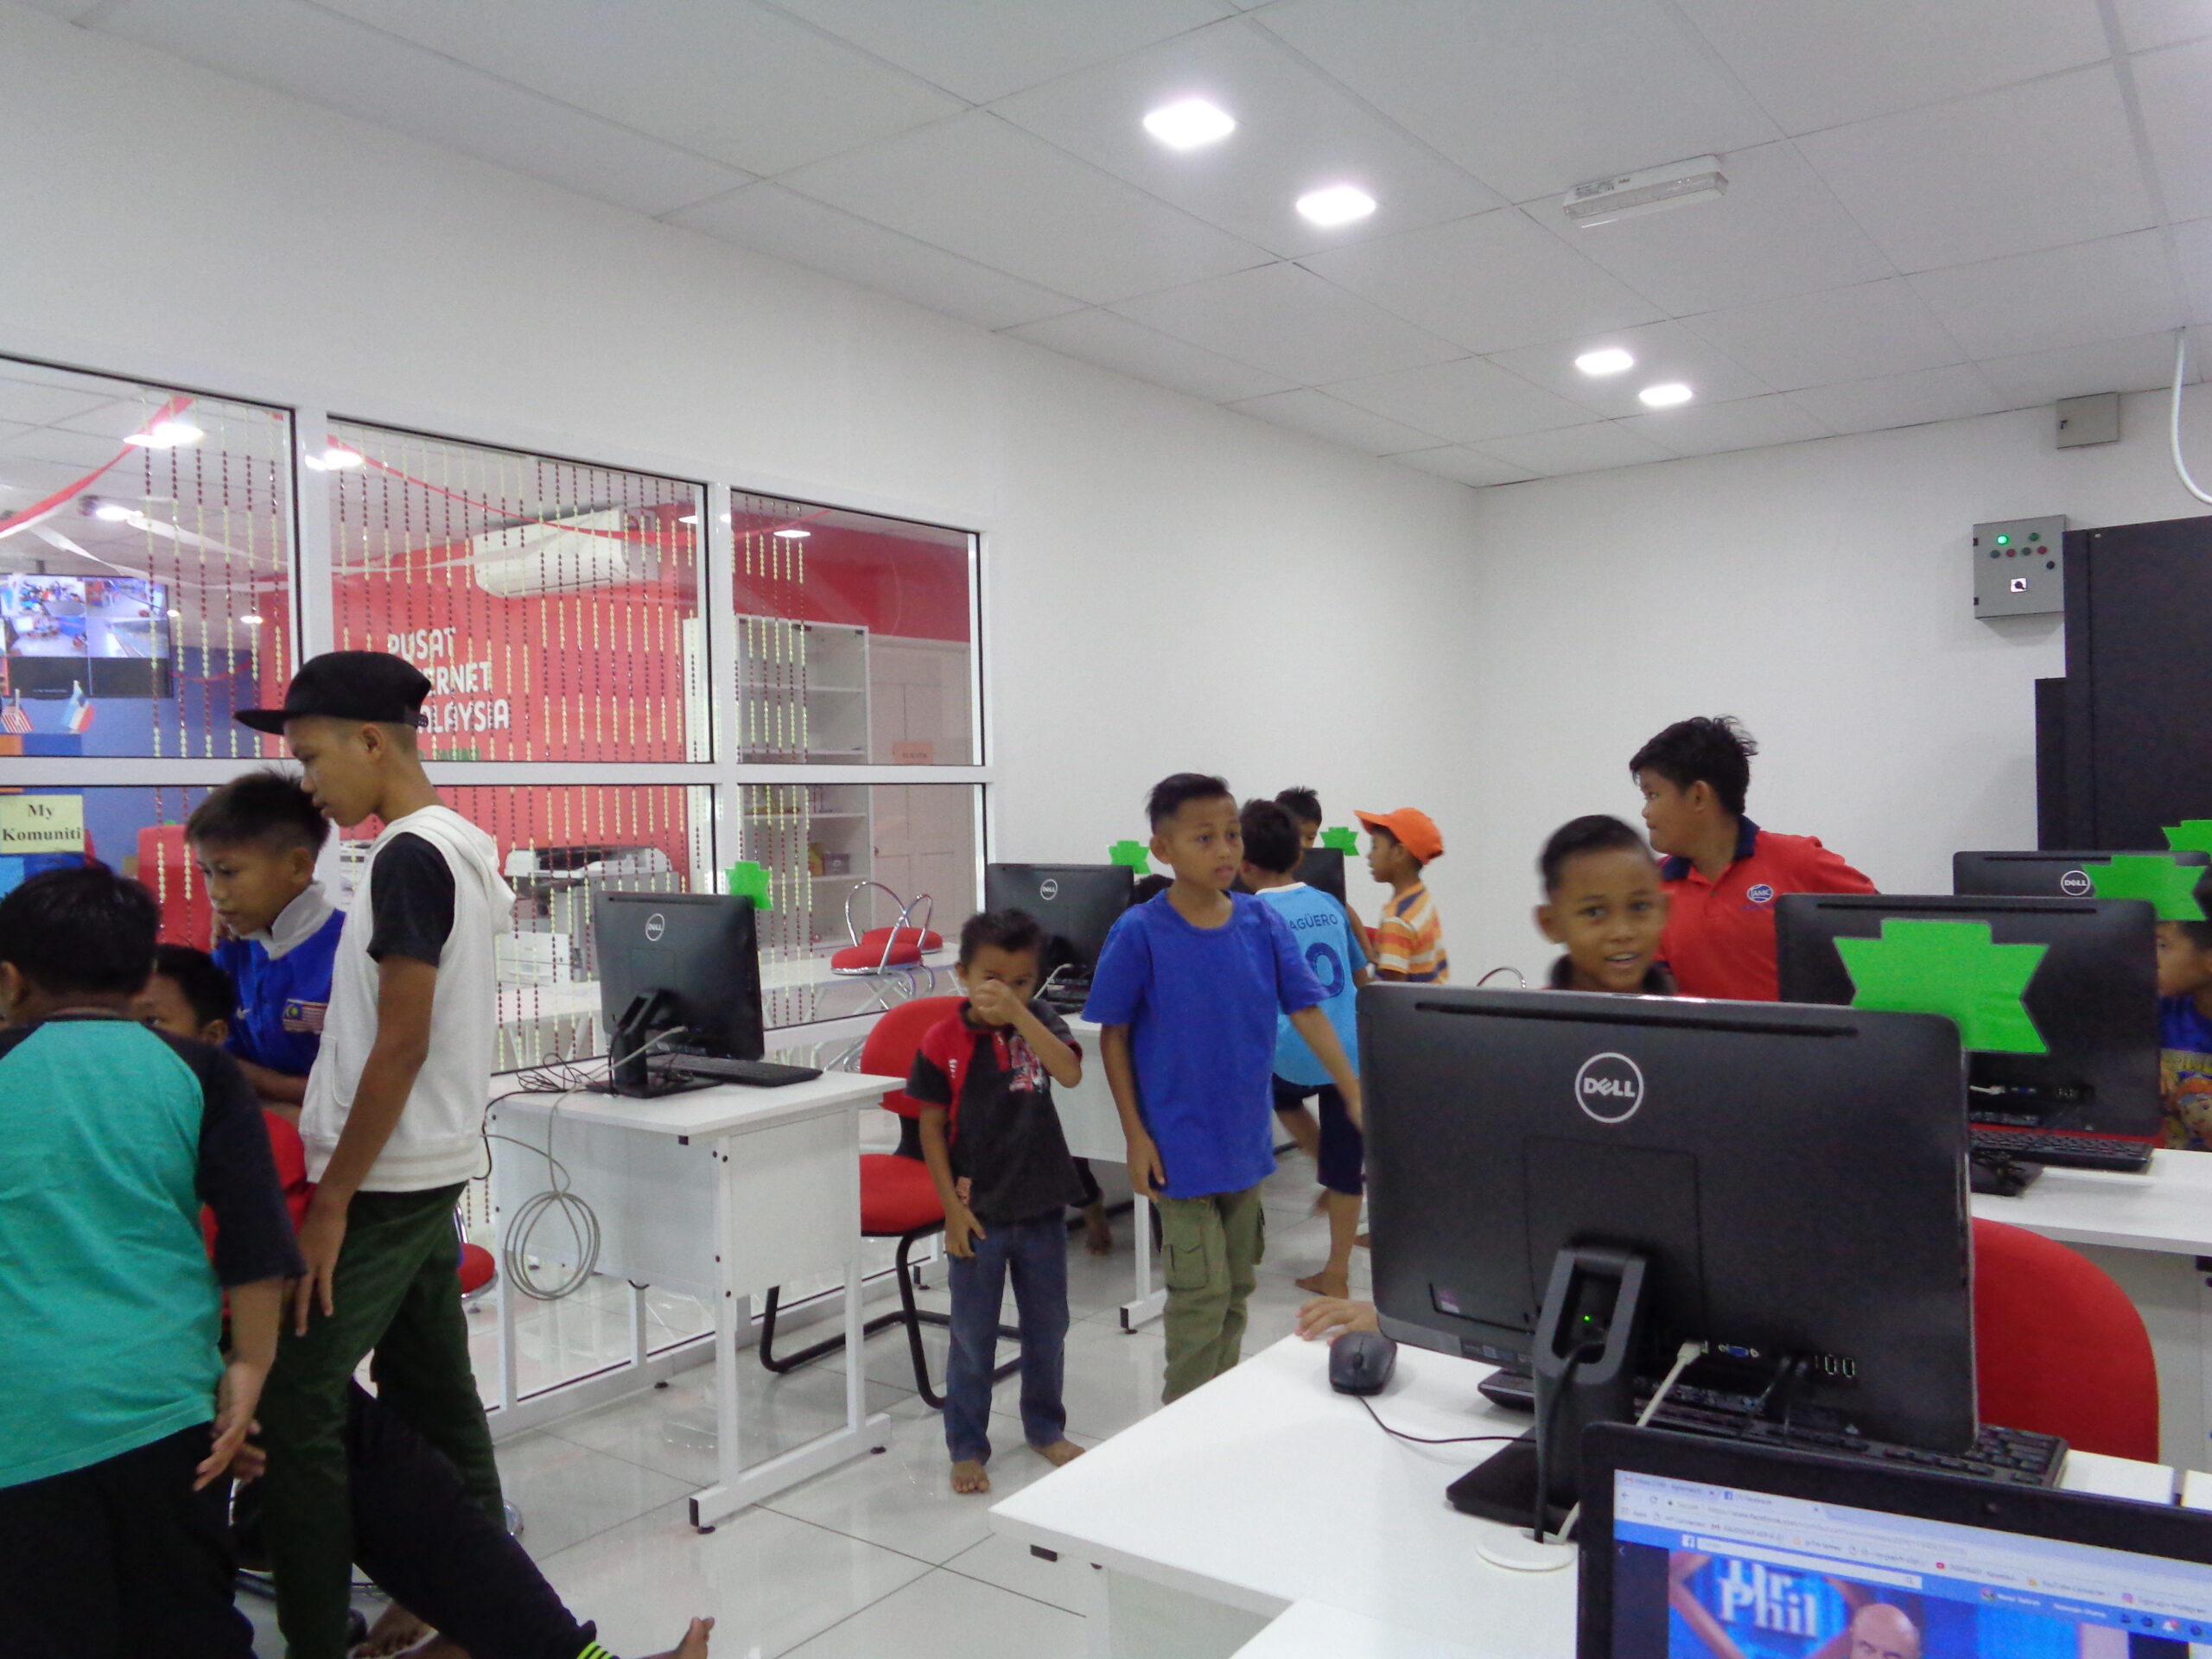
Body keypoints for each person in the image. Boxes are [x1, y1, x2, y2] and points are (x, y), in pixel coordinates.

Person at [137, 947, 715, 1659]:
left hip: (237, 1367)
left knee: (402, 1480)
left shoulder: (232, 1129)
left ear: (213, 1038)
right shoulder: (129, 1134)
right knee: (327, 1434)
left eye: (151, 1023)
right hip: (163, 1387)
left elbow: (261, 1276)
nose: (133, 1044)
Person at [238, 651, 518, 1659]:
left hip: (388, 1179)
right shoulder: (456, 845)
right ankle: (479, 1605)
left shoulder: (409, 854)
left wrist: (331, 1202)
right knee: (431, 1381)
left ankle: (315, 1634)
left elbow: (400, 1043)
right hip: (423, 1162)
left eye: (312, 757)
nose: (308, 784)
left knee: (295, 1393)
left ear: (370, 741)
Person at [0, 866, 299, 1656]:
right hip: (166, 1403)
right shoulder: (200, 1071)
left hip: (19, 1417)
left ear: (9, 981)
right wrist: (250, 1367)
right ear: (141, 979)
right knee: (186, 1619)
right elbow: (255, 1234)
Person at [1087, 772, 1364, 1403]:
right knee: (1200, 1295)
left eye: (1232, 835)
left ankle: (1220, 1408)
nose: (1225, 850)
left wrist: (1350, 1086)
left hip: (1245, 1145)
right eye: (1204, 837)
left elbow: (1306, 1008)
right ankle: (1181, 1422)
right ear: (1163, 849)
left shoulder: (1260, 920)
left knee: (1237, 1288)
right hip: (1177, 1148)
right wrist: (1135, 1136)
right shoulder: (1140, 930)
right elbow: (1114, 1037)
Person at [908, 909, 1089, 1496]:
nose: (1005, 992)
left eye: (1021, 981)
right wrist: (951, 1211)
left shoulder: (1040, 1021)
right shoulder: (942, 1040)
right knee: (972, 1336)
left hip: (1041, 1205)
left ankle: (1044, 1427)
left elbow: (1069, 1073)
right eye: (991, 978)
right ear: (962, 974)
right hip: (977, 1213)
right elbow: (930, 1129)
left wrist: (1021, 1014)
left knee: (1048, 1327)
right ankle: (967, 1446)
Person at [1630, 716, 1874, 1001]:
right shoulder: (1650, 889)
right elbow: (1659, 1004)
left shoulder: (1800, 861)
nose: (1645, 812)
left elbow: (1889, 927)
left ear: (1698, 796)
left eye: (1653, 795)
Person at [1242, 798, 1370, 1300]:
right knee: (1347, 1166)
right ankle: (1336, 1273)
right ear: (1299, 857)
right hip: (1349, 1050)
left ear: (1244, 865)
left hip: (1291, 1052)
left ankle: (1318, 1157)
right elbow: (1360, 976)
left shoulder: (1250, 914)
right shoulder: (1330, 905)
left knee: (1280, 1095)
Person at [188, 767, 346, 1116]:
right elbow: (214, 1066)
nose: (216, 893)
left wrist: (254, 1082)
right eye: (207, 873)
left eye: (229, 872)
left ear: (297, 866)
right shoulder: (230, 948)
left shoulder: (353, 951)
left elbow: (363, 1090)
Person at [1535, 815, 1675, 995]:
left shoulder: (1691, 1013)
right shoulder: (1528, 1014)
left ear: (1664, 911)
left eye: (1639, 907)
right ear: (1551, 924)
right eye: (1594, 912)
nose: (1622, 933)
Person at [1358, 807, 1449, 983]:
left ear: (1399, 852)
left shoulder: (1398, 919)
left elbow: (1393, 992)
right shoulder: (1422, 899)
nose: (1369, 856)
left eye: (1375, 847)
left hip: (1408, 1002)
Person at [2155, 918, 2212, 1150]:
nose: (2152, 958)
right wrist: (2141, 1062)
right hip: (2171, 1163)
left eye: (2163, 946)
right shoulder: (2160, 1010)